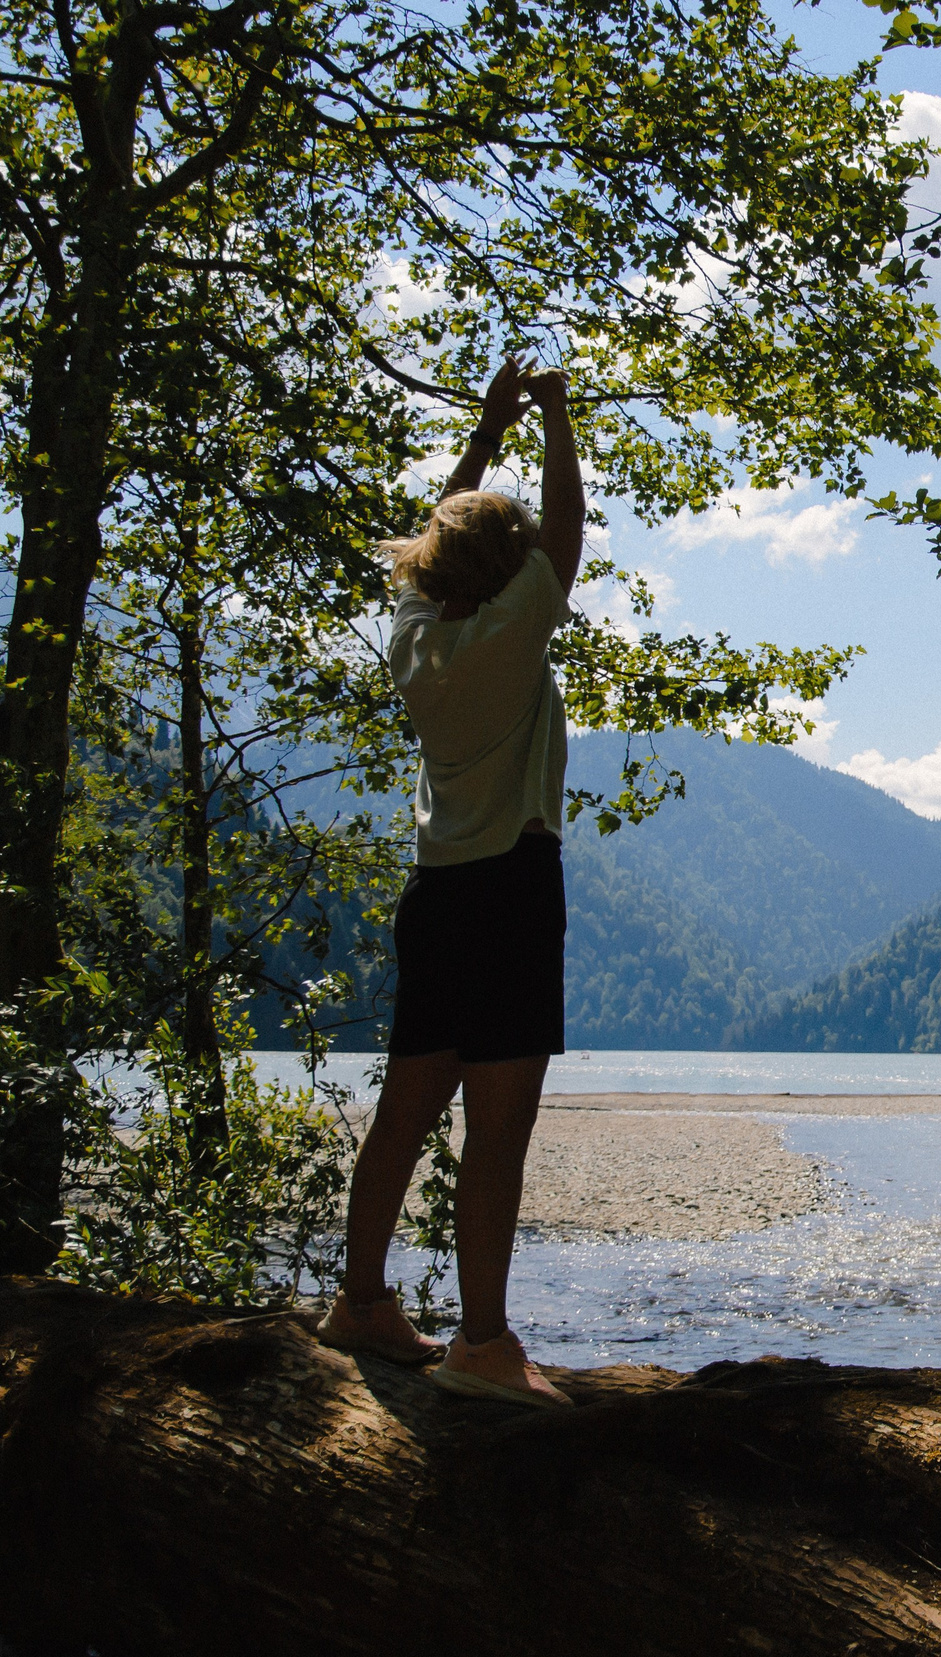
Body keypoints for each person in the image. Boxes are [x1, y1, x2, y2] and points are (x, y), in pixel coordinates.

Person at [316, 354, 582, 1409]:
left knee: (406, 1110)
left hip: (436, 898)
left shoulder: (415, 636)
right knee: (497, 1131)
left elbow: (438, 545)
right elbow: (565, 532)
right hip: (512, 890)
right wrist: (554, 418)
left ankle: (360, 1303)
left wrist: (484, 432)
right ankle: (480, 1342)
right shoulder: (514, 633)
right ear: (512, 568)